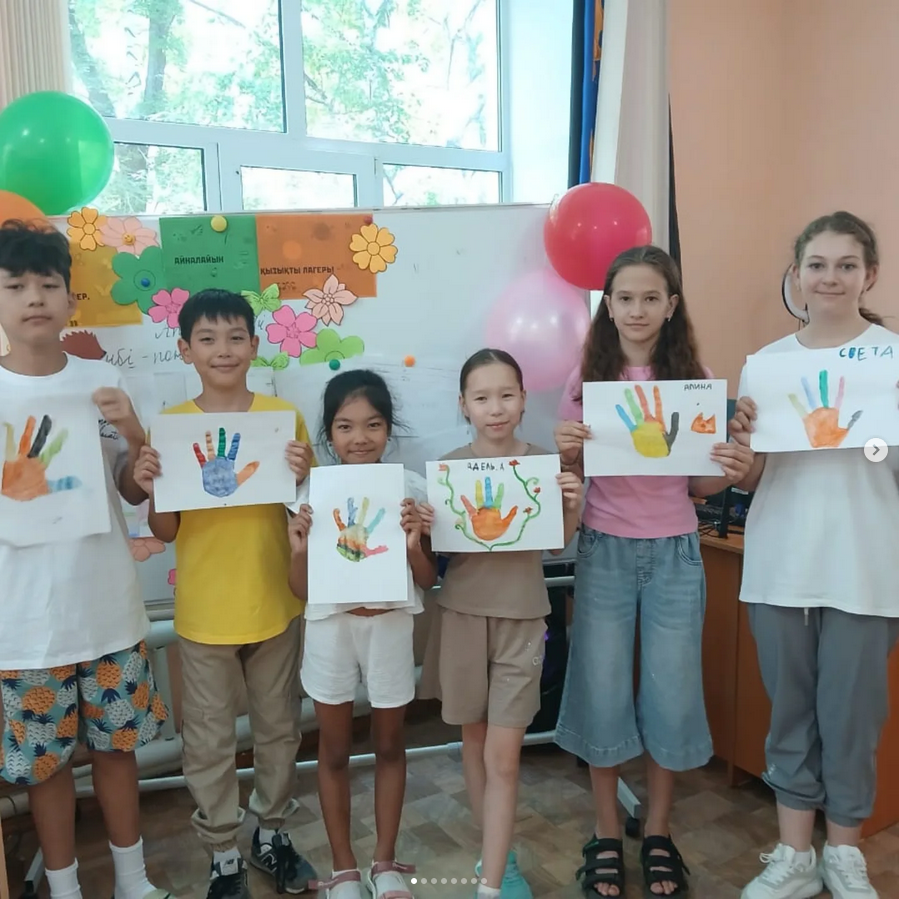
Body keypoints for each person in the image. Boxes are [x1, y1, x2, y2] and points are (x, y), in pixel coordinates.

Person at [553, 245, 754, 898]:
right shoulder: (585, 379)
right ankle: (606, 831)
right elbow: (571, 480)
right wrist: (566, 454)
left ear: (671, 306)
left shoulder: (693, 378)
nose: (636, 309)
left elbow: (698, 484)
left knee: (671, 692)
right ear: (607, 306)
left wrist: (730, 465)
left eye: (649, 298)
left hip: (673, 551)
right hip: (605, 549)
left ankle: (659, 829)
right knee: (603, 687)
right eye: (624, 298)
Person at [731, 212, 899, 899]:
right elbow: (752, 476)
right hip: (780, 564)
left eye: (845, 264)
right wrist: (739, 451)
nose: (830, 277)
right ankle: (795, 855)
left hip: (866, 566)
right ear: (796, 275)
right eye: (817, 264)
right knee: (790, 714)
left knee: (852, 718)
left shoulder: (892, 361)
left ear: (869, 275)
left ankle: (845, 853)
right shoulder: (765, 366)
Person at [0, 221, 169, 899]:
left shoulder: (103, 381)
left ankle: (134, 881)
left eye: (48, 284)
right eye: (16, 285)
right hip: (24, 621)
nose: (34, 298)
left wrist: (133, 433)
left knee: (117, 751)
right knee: (45, 768)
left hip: (106, 608)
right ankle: (65, 888)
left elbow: (133, 486)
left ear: (71, 299)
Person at [134, 289, 317, 899]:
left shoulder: (282, 418)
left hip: (275, 602)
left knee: (279, 728)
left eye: (236, 336)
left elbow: (307, 510)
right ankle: (222, 854)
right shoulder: (171, 427)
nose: (223, 349)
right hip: (204, 613)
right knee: (208, 741)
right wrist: (153, 485)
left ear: (255, 346)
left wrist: (302, 474)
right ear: (185, 349)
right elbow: (166, 530)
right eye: (207, 339)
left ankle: (271, 833)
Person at [418, 348, 584, 899]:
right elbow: (439, 555)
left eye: (506, 395)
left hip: (524, 619)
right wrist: (425, 528)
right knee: (474, 740)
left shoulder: (543, 465)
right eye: (482, 397)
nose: (495, 408)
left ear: (523, 399)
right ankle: (499, 856)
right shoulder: (447, 468)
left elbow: (557, 543)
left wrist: (572, 502)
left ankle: (490, 884)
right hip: (462, 617)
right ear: (463, 404)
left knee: (504, 755)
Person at [287, 369, 437, 899]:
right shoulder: (310, 492)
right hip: (330, 629)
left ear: (388, 428)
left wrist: (414, 541)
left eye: (373, 424)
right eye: (345, 426)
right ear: (329, 433)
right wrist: (300, 548)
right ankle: (345, 868)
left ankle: (385, 863)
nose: (360, 438)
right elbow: (300, 588)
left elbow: (427, 579)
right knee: (332, 749)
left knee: (391, 744)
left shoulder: (411, 490)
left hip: (390, 628)